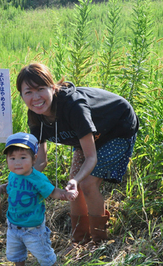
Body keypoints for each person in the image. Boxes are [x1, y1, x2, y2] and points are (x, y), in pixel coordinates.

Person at [16, 63, 139, 245]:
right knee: (73, 186)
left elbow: (91, 157)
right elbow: (41, 160)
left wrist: (76, 180)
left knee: (87, 183)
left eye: (40, 89)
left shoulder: (74, 107)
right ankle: (79, 239)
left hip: (117, 127)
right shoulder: (35, 115)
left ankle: (99, 241)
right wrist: (19, 179)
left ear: (52, 87)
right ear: (21, 95)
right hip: (88, 136)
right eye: (28, 92)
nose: (35, 98)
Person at [0, 132, 78, 266]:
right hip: (13, 225)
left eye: (23, 157)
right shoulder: (13, 174)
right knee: (16, 251)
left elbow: (51, 191)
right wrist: (1, 188)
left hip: (33, 227)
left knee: (42, 251)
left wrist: (66, 195)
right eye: (12, 158)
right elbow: (11, 186)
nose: (17, 162)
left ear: (34, 159)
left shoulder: (37, 178)